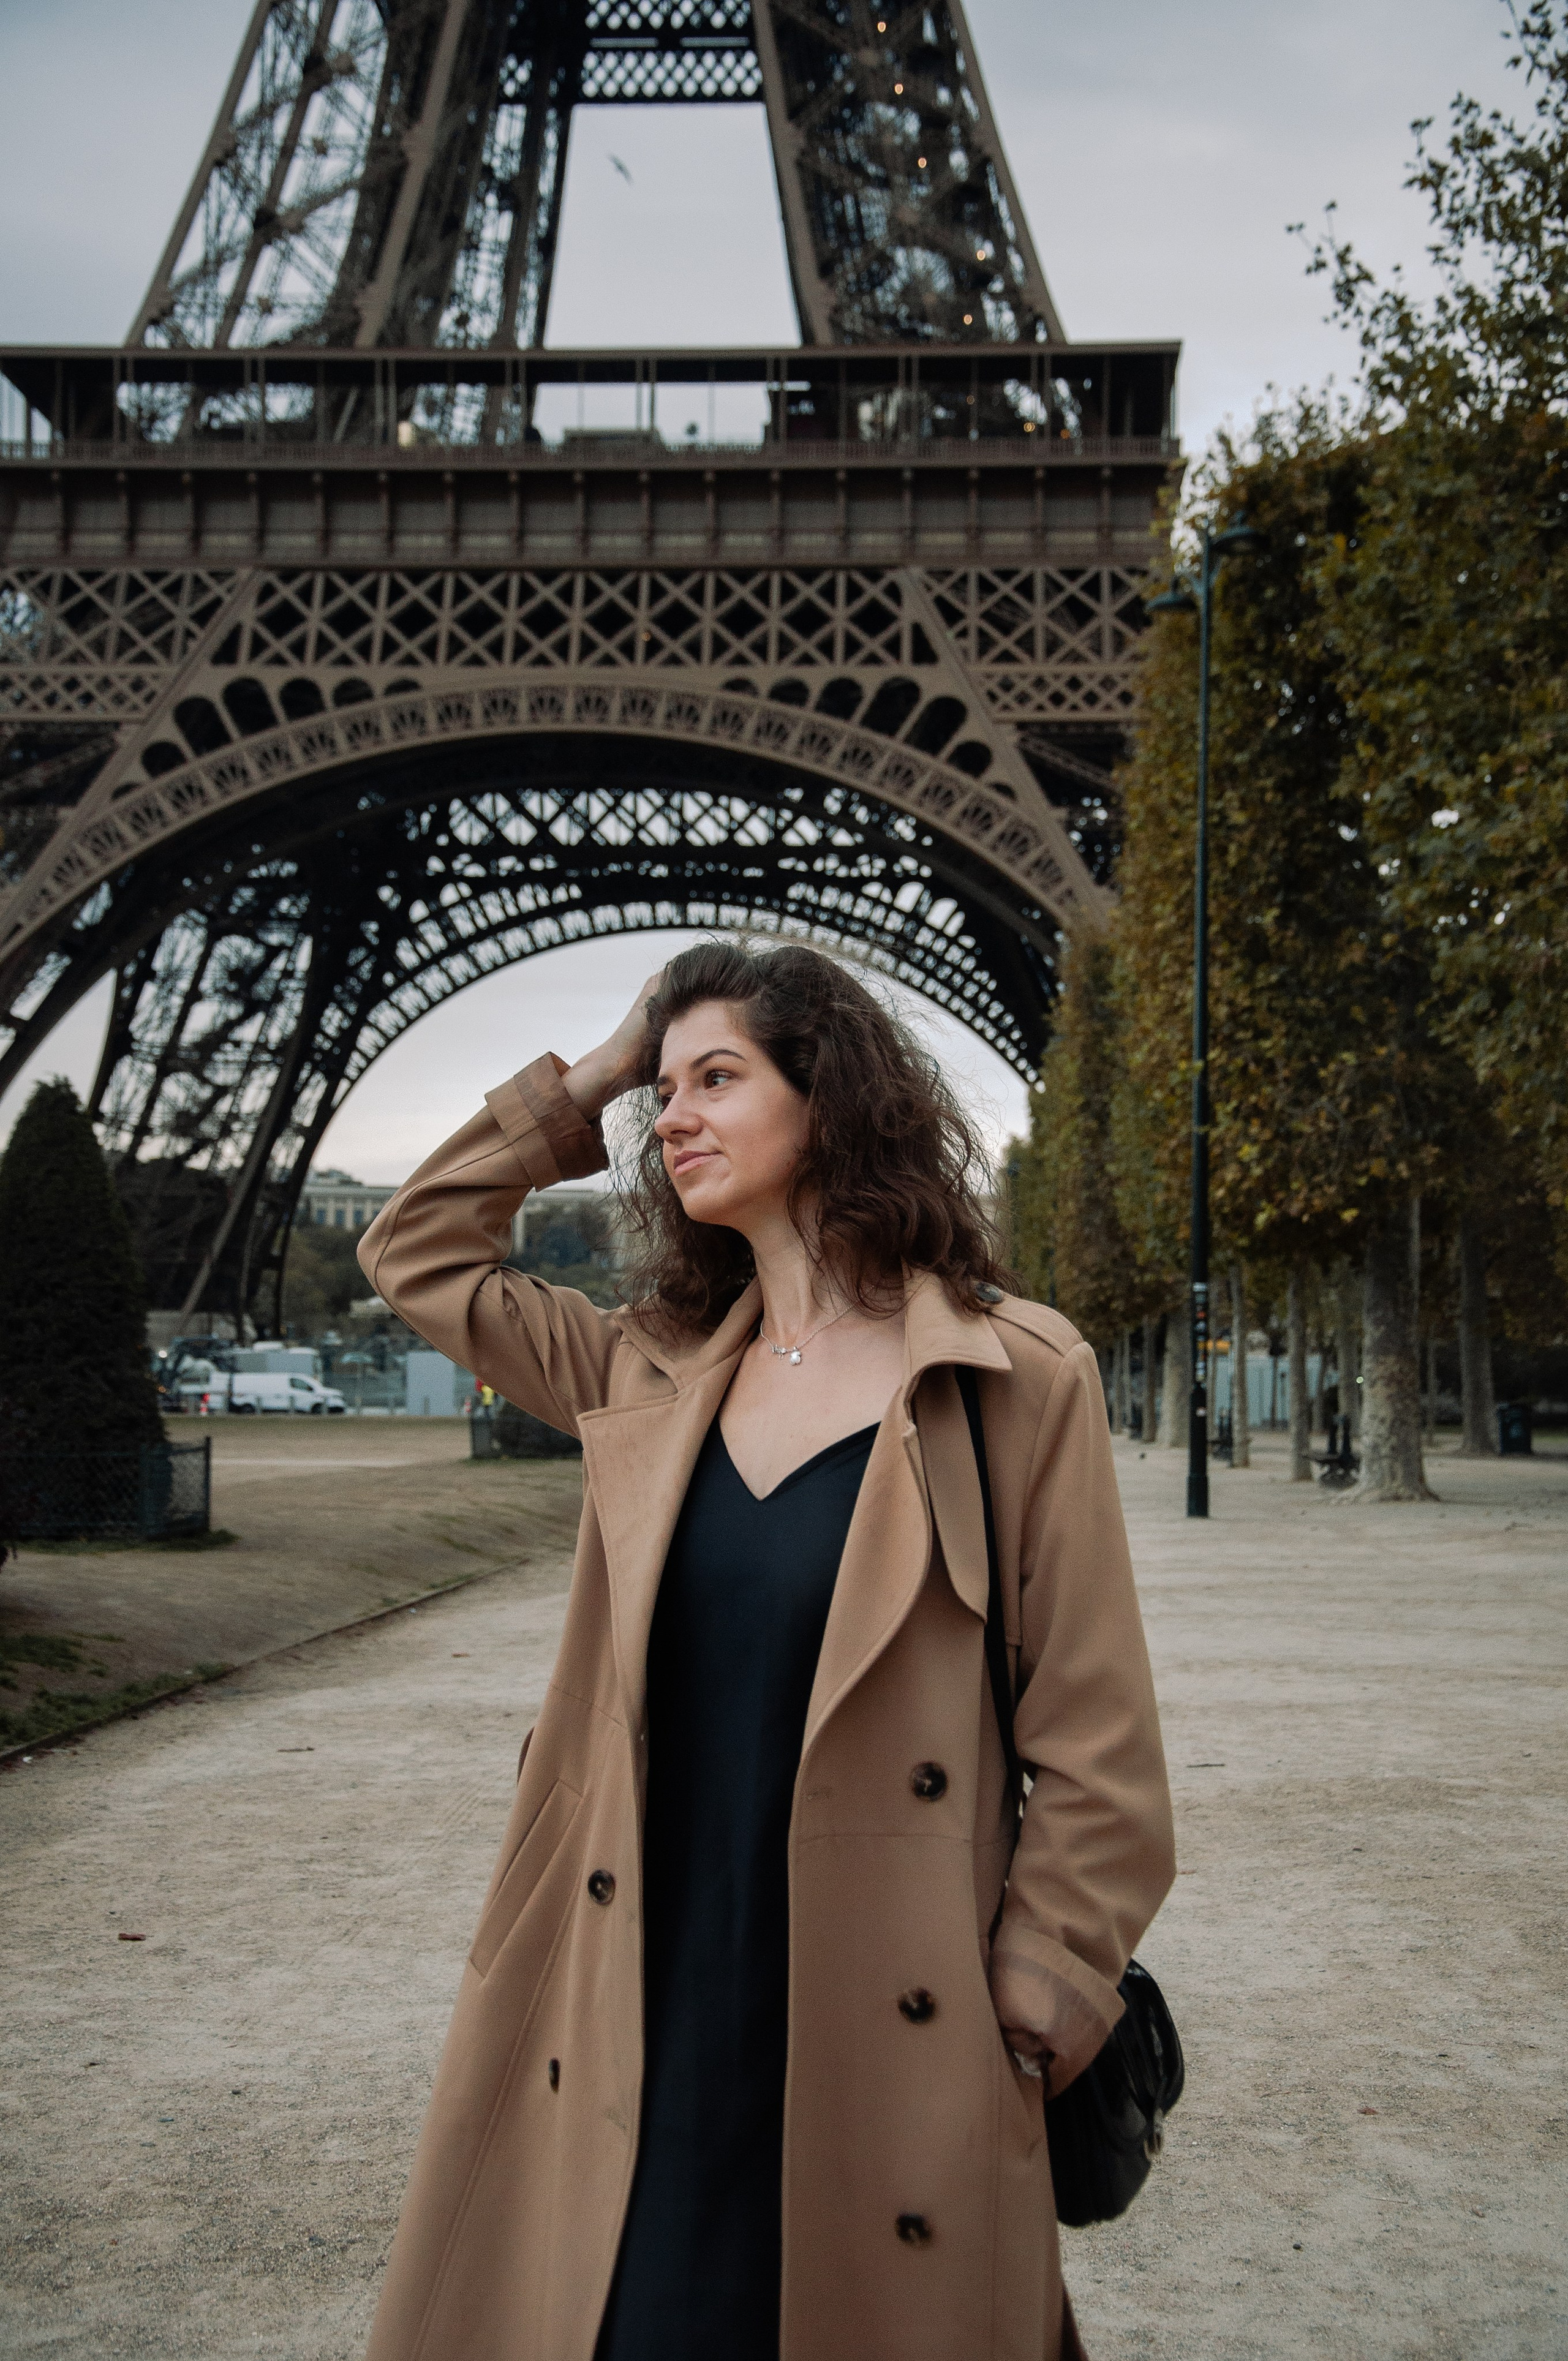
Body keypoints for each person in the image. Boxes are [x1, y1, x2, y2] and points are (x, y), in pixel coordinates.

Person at [356, 940, 1174, 2361]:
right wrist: (600, 1070)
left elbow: (1098, 1744)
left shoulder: (1010, 1377)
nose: (669, 1115)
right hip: (639, 1983)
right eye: (659, 1090)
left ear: (831, 1094)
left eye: (717, 1077)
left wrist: (1032, 1995)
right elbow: (413, 1250)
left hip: (886, 2015)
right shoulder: (645, 1364)